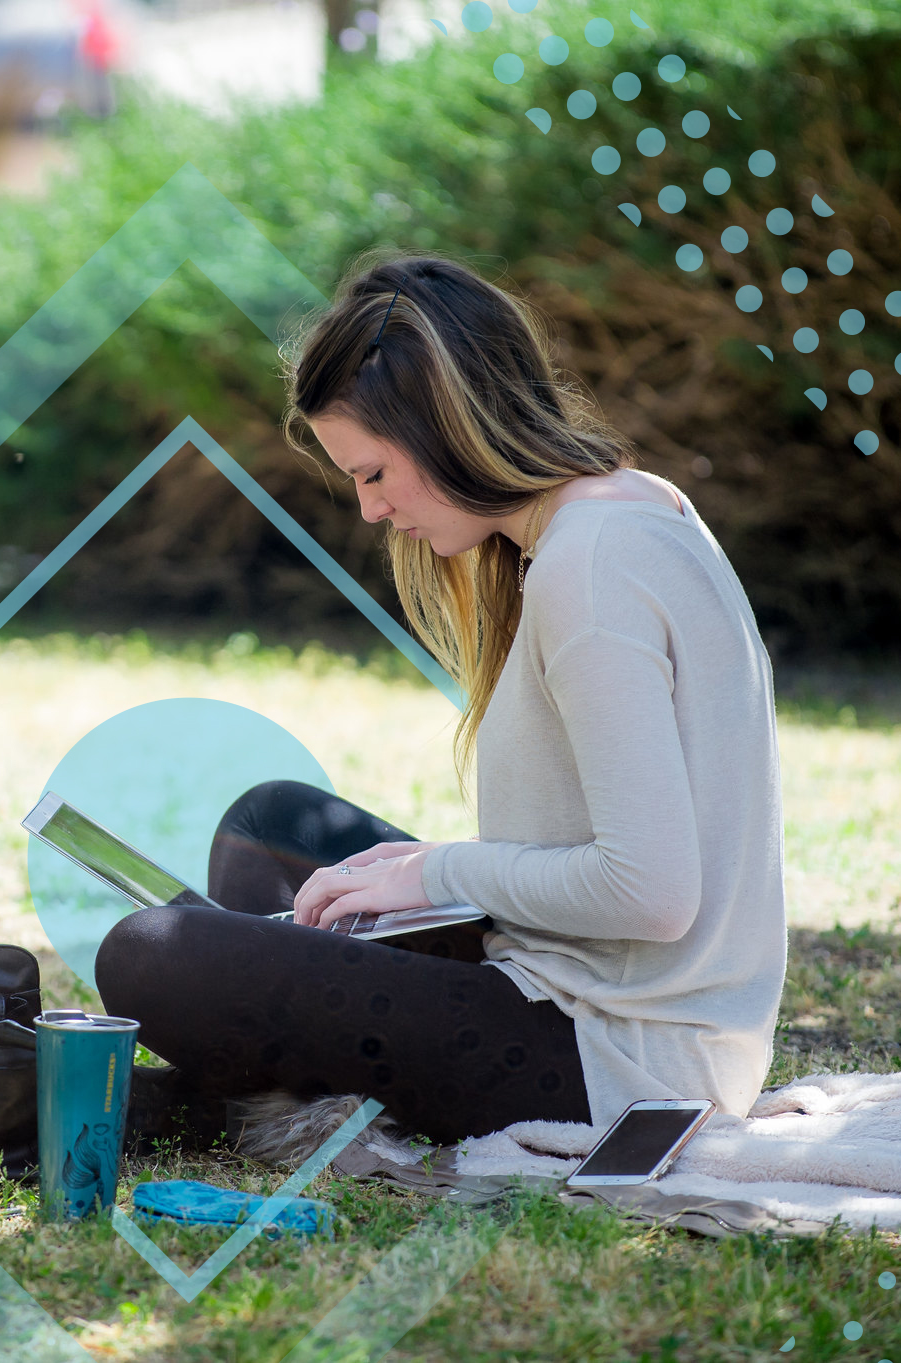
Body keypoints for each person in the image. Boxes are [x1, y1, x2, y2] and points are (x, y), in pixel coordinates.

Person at [95, 253, 786, 1147]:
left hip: (622, 1056)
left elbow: (650, 893)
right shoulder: (629, 509)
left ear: (450, 428)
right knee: (275, 824)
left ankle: (221, 1099)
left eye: (376, 472)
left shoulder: (591, 568)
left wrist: (435, 872)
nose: (371, 510)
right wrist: (421, 875)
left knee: (153, 953)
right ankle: (279, 1085)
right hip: (572, 983)